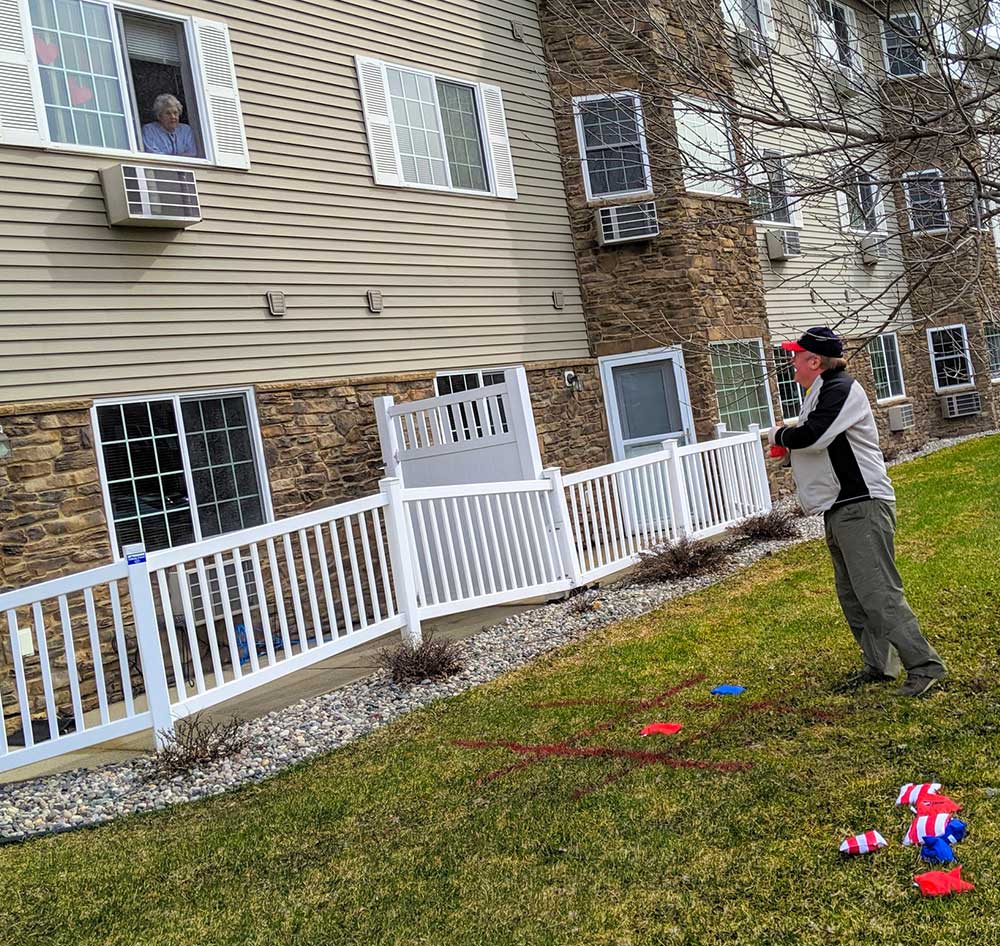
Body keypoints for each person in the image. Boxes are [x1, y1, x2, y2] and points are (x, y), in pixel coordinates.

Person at [768, 326, 947, 697]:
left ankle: (925, 666)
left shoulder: (841, 388)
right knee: (853, 595)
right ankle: (879, 666)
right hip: (839, 508)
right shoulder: (820, 393)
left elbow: (813, 435)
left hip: (862, 505)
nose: (792, 364)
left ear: (815, 361)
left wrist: (778, 436)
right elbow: (819, 442)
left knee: (878, 591)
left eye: (796, 357)